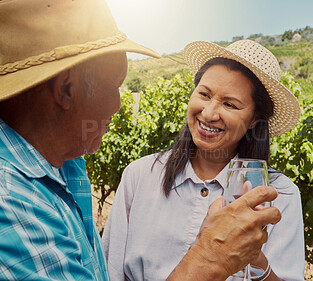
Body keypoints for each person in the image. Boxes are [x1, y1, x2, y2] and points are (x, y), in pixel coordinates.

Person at [0, 0, 281, 280]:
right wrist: (211, 258)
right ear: (66, 88)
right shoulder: (11, 201)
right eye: (115, 86)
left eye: (230, 104)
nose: (120, 104)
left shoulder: (68, 165)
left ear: (255, 121)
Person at [103, 40, 305, 281]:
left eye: (229, 104)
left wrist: (256, 261)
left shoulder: (280, 195)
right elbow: (108, 272)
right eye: (204, 94)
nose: (209, 113)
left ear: (254, 120)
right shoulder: (139, 176)